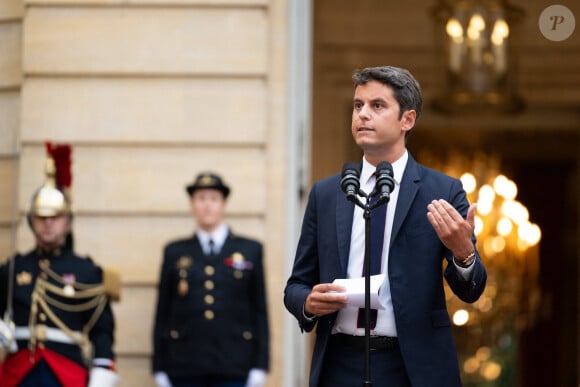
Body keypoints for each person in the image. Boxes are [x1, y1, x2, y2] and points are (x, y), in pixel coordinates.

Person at [284, 65, 488, 387]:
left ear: (407, 119)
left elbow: (472, 290)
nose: (363, 114)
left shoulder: (442, 191)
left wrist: (464, 253)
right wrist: (308, 303)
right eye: (358, 105)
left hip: (412, 368)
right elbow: (295, 286)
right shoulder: (326, 194)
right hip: (340, 364)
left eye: (377, 106)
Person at [0, 142, 120, 386]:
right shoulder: (12, 269)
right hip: (19, 373)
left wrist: (100, 373)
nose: (48, 224)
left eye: (55, 217)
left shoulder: (86, 271)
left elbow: (102, 331)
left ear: (68, 221)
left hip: (65, 373)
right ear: (32, 222)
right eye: (42, 218)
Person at [152, 172, 269, 387]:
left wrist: (260, 365)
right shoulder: (175, 252)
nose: (207, 205)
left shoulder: (250, 250)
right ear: (192, 205)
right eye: (201, 198)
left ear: (223, 204)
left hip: (235, 364)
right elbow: (163, 312)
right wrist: (159, 367)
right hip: (184, 365)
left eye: (213, 199)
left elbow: (259, 311)